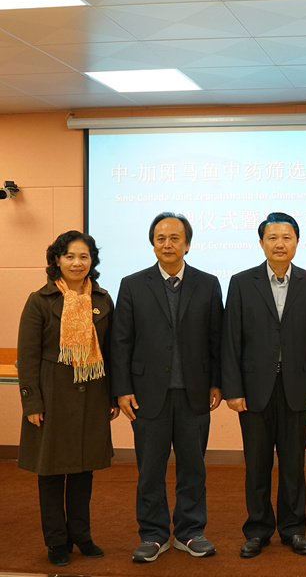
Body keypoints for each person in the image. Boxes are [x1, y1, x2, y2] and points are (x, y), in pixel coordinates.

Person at [110, 212, 223, 562]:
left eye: (175, 238)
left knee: (193, 469)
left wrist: (216, 382)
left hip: (194, 393)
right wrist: (122, 389)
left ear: (187, 244)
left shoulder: (208, 284)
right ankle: (153, 535)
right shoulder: (132, 284)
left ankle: (190, 532)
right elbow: (121, 341)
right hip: (147, 395)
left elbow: (216, 338)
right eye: (161, 238)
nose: (168, 244)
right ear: (153, 244)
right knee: (150, 471)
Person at [222, 212, 306, 558]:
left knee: (293, 465)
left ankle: (294, 529)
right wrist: (233, 390)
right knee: (256, 465)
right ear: (261, 243)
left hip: (298, 388)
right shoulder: (241, 282)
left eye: (286, 237)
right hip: (254, 389)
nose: (279, 244)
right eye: (272, 238)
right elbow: (231, 340)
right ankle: (257, 530)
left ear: (297, 242)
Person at [17, 231, 119, 567]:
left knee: (82, 471)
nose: (77, 263)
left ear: (92, 261)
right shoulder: (40, 300)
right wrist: (32, 402)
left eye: (84, 256)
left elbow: (111, 352)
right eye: (70, 256)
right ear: (57, 260)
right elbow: (27, 357)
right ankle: (56, 541)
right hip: (52, 396)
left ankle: (82, 535)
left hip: (92, 396)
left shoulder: (102, 299)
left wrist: (112, 396)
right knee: (50, 473)